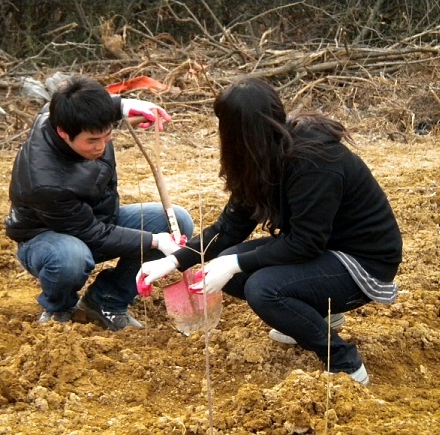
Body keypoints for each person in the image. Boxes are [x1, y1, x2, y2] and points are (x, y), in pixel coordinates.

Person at [138, 77, 402, 385]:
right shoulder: (261, 157)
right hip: (323, 251)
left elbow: (305, 243)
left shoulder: (313, 161)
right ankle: (318, 315)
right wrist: (173, 261)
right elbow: (230, 228)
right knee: (230, 264)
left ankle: (344, 362)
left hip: (363, 262)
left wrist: (234, 263)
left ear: (236, 131)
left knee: (263, 288)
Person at [5, 75, 194, 329]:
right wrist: (156, 241)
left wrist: (126, 105)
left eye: (107, 136)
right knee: (70, 257)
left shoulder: (69, 116)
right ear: (63, 133)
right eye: (92, 141)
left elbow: (93, 106)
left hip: (97, 219)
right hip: (44, 237)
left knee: (177, 222)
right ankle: (59, 309)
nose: (101, 146)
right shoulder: (45, 181)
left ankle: (106, 300)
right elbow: (91, 233)